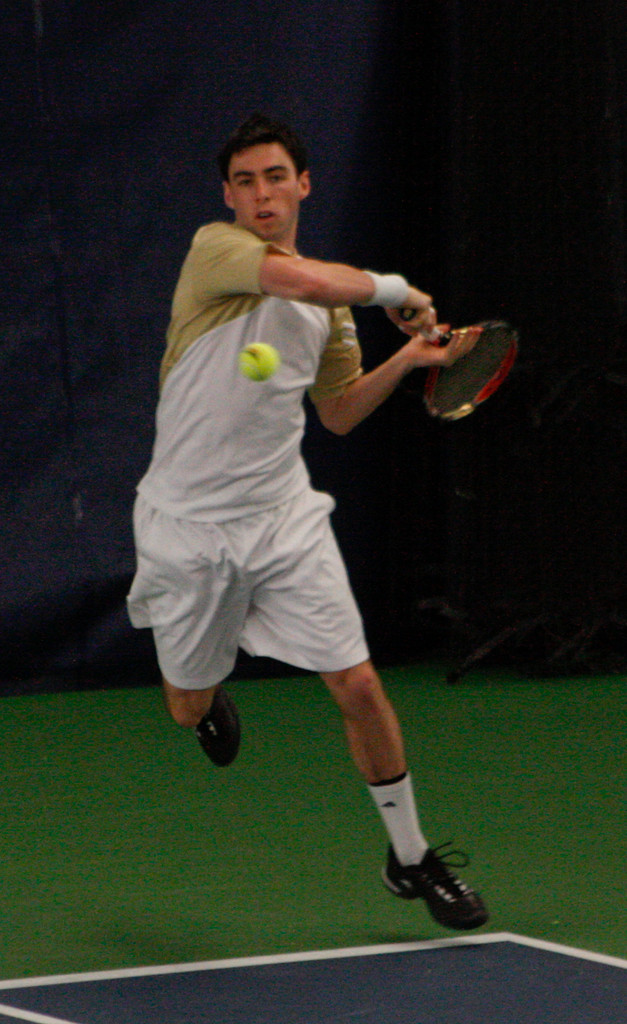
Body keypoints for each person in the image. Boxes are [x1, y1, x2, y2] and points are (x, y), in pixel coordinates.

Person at [127, 113, 488, 931]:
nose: (261, 194)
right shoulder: (216, 251)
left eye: (275, 177)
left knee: (356, 683)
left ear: (302, 184)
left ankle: (409, 857)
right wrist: (398, 291)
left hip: (283, 518)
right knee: (185, 704)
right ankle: (206, 703)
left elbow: (338, 413)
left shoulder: (328, 310)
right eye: (245, 181)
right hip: (187, 526)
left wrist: (408, 359)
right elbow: (307, 283)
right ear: (228, 196)